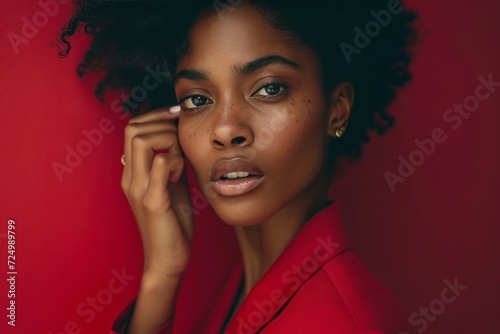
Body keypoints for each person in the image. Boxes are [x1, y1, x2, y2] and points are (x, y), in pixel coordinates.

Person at [59, 1, 417, 333]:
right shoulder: (240, 290)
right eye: (197, 99)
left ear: (336, 109)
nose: (225, 129)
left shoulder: (346, 323)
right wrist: (161, 275)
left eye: (269, 89)